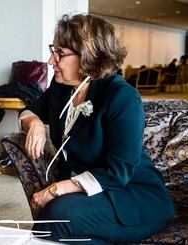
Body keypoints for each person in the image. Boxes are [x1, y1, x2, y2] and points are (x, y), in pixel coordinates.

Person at [20, 15, 175, 243]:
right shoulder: (61, 87)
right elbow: (29, 110)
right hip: (94, 193)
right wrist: (34, 124)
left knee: (57, 215)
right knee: (68, 232)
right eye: (53, 50)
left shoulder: (121, 97)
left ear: (89, 56)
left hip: (133, 196)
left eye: (60, 53)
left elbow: (118, 172)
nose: (51, 61)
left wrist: (56, 189)